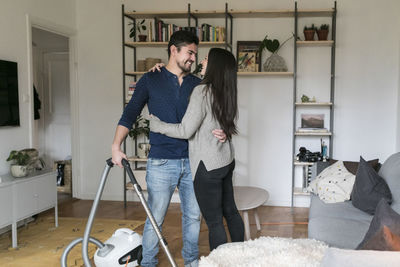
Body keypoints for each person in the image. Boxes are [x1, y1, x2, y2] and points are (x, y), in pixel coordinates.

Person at [111, 31, 225, 267]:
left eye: (195, 53)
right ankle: (149, 263)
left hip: (194, 160)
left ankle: (191, 262)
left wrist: (222, 130)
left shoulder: (197, 83)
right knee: (156, 218)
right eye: (189, 52)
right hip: (162, 161)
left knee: (193, 216)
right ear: (174, 50)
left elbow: (211, 115)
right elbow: (130, 113)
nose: (193, 58)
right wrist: (116, 145)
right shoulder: (151, 79)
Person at [149, 48, 245, 251]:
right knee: (231, 211)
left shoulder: (202, 91)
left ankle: (219, 264)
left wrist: (157, 125)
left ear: (214, 65)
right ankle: (240, 258)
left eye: (206, 59)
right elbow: (221, 124)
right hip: (225, 161)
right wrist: (161, 69)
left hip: (207, 166)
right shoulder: (227, 89)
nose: (201, 61)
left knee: (214, 222)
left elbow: (185, 130)